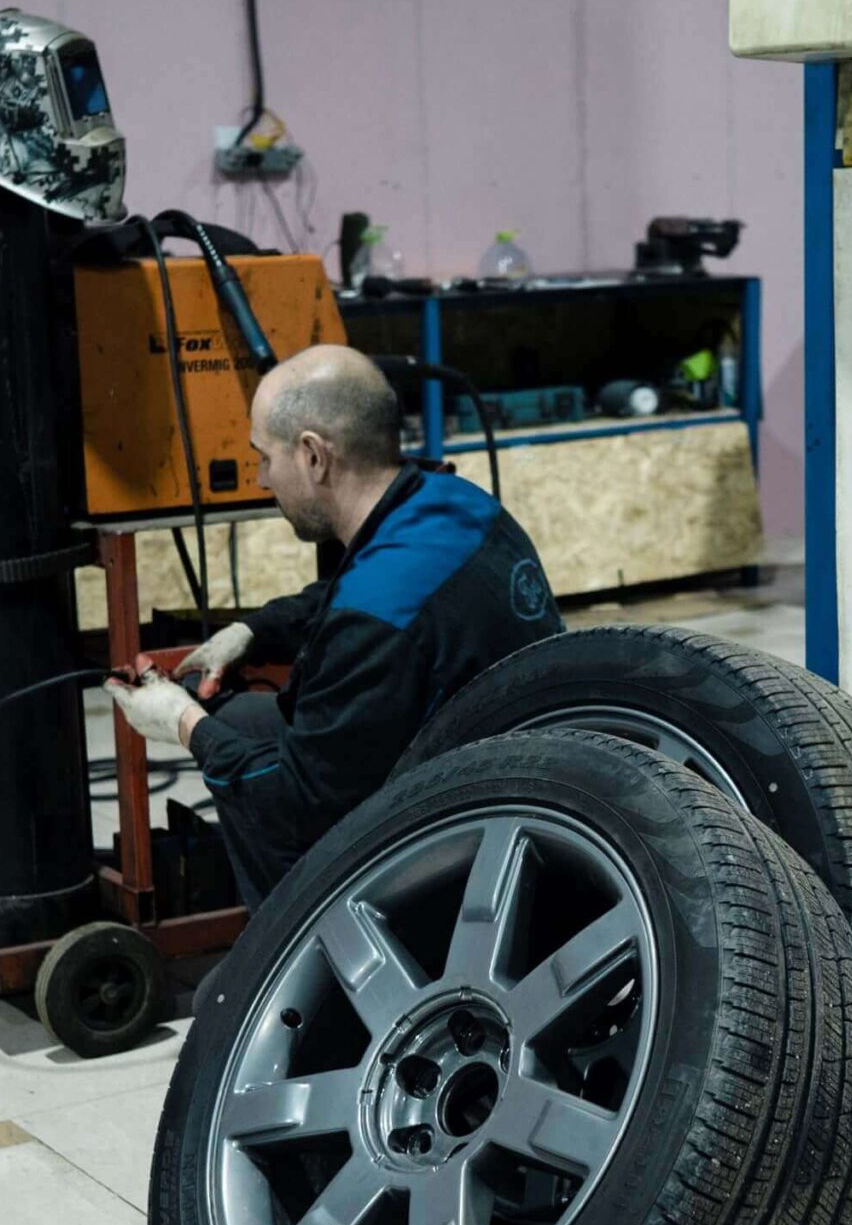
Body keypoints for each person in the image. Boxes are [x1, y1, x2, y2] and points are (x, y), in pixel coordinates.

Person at [105, 344, 562, 908]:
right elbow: (359, 592)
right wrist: (252, 631)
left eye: (264, 457)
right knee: (241, 719)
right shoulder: (456, 503)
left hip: (457, 848)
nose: (261, 478)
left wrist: (181, 723)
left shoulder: (372, 624)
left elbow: (294, 804)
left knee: (248, 785)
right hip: (520, 779)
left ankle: (298, 954)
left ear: (313, 457)